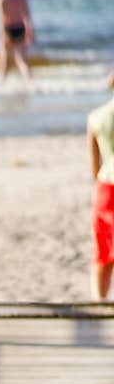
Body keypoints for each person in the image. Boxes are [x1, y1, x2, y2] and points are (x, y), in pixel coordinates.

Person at [87, 72, 114, 299]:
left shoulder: (96, 117)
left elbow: (94, 167)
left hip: (106, 187)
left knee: (104, 252)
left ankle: (99, 302)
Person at [0, 0, 34, 83]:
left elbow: (0, 18)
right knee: (22, 61)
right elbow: (27, 15)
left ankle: (1, 86)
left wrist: (2, 35)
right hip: (20, 28)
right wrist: (29, 31)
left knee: (4, 63)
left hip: (8, 29)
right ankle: (31, 83)